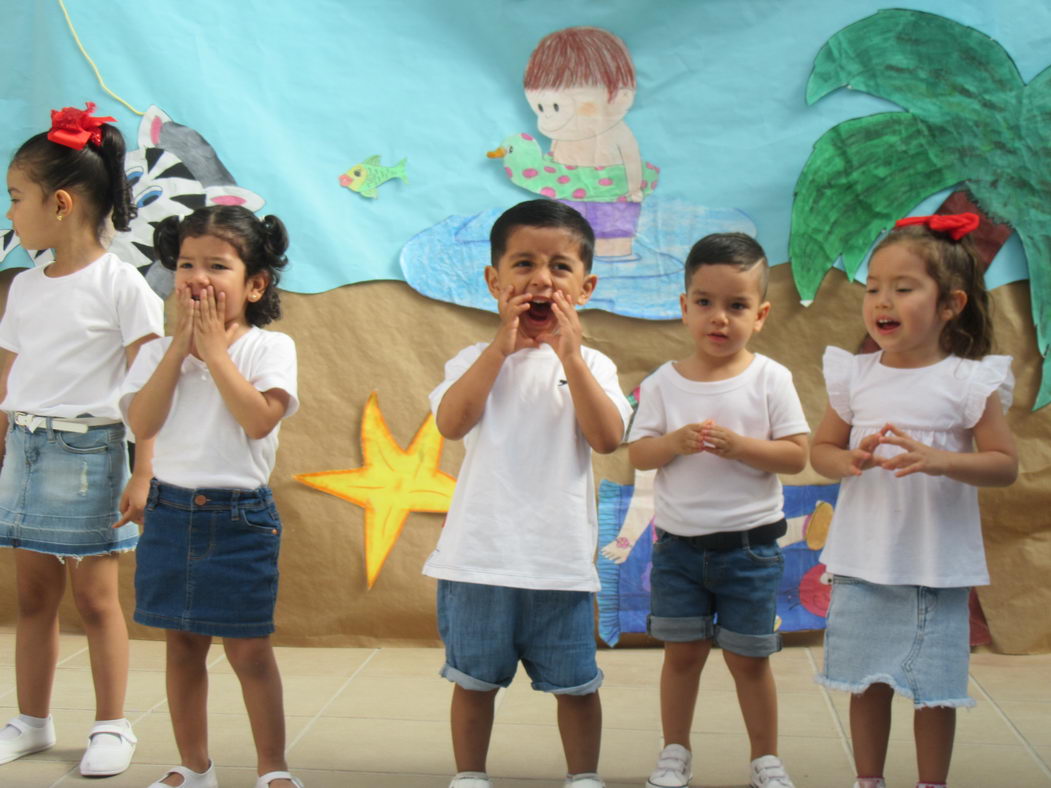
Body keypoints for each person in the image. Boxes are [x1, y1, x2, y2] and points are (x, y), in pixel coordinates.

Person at [425, 199, 633, 788]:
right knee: (473, 680)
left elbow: (606, 437)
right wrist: (499, 350)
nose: (542, 279)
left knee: (576, 683)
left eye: (561, 268)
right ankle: (470, 775)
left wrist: (570, 355)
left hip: (558, 562)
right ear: (495, 281)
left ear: (585, 287)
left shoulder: (593, 364)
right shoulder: (473, 359)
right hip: (478, 560)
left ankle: (583, 775)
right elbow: (451, 422)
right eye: (524, 264)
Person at [810, 213, 1018, 788]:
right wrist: (850, 460)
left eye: (904, 288)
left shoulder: (968, 382)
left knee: (934, 688)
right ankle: (868, 779)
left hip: (935, 563)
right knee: (864, 678)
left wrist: (941, 459)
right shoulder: (855, 376)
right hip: (862, 560)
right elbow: (821, 450)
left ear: (950, 304)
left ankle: (932, 782)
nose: (883, 300)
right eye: (874, 287)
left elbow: (1004, 465)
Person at [0, 102, 163, 776]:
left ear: (60, 202)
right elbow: (7, 383)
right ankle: (32, 721)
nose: (10, 212)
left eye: (15, 198)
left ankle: (112, 726)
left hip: (90, 453)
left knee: (96, 600)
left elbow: (150, 390)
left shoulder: (122, 286)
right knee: (32, 597)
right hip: (26, 452)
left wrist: (144, 470)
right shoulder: (25, 288)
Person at [121, 206, 301, 788]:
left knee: (250, 653)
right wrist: (180, 349)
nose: (198, 277)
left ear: (254, 285)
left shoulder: (268, 350)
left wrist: (215, 353)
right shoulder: (155, 354)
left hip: (240, 519)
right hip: (170, 514)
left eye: (217, 266)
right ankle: (193, 766)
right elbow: (143, 422)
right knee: (182, 649)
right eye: (187, 264)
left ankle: (273, 768)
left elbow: (257, 421)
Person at [627, 233, 808, 788]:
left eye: (737, 305)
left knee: (750, 661)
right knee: (681, 657)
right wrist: (674, 443)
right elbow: (637, 452)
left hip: (750, 551)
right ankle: (674, 751)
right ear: (684, 307)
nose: (719, 318)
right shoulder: (662, 383)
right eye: (704, 302)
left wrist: (743, 447)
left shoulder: (770, 378)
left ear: (761, 314)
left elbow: (797, 455)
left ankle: (765, 759)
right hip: (679, 550)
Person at [524, 26, 645, 258]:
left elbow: (631, 158)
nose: (548, 116)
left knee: (615, 240)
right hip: (570, 194)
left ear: (619, 98)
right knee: (564, 242)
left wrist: (633, 187)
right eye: (541, 107)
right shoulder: (562, 134)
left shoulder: (618, 133)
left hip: (612, 196)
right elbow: (555, 160)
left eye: (558, 106)